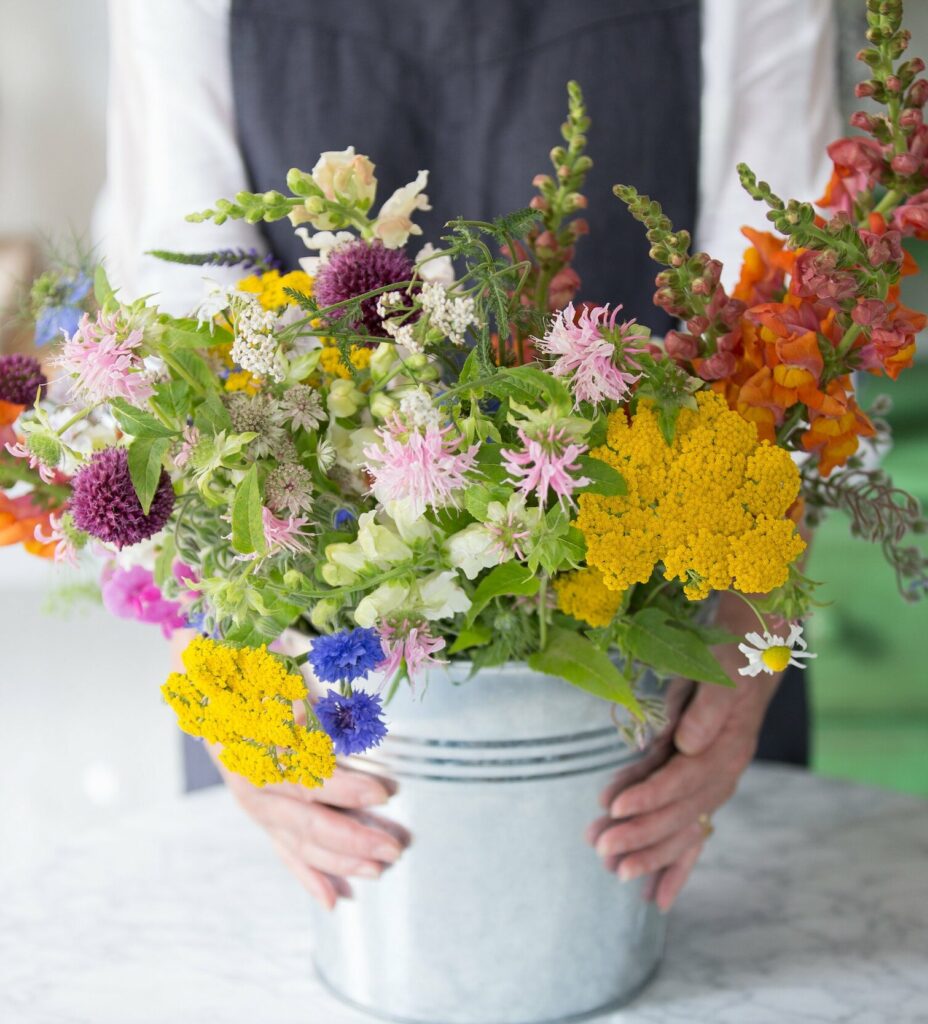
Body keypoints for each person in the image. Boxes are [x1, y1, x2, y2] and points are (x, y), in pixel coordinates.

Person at [97, 0, 840, 913]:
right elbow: (172, 316)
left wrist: (759, 617)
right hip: (304, 684)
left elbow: (798, 312)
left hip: (679, 650)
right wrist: (217, 663)